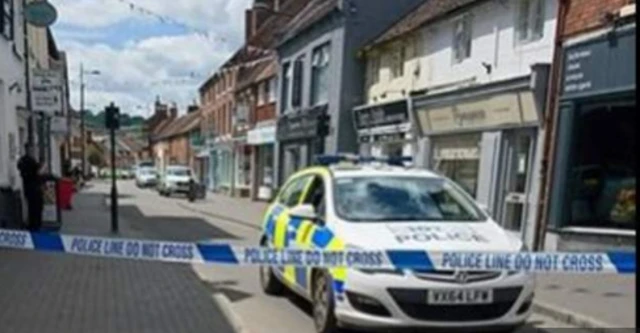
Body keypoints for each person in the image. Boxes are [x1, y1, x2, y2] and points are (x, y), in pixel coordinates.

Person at [17, 144, 45, 231]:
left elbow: (19, 168)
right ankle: (36, 225)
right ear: (29, 150)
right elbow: (38, 173)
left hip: (27, 188)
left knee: (31, 207)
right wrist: (42, 167)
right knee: (37, 207)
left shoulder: (22, 160)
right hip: (35, 188)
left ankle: (32, 225)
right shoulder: (31, 161)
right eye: (32, 149)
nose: (33, 151)